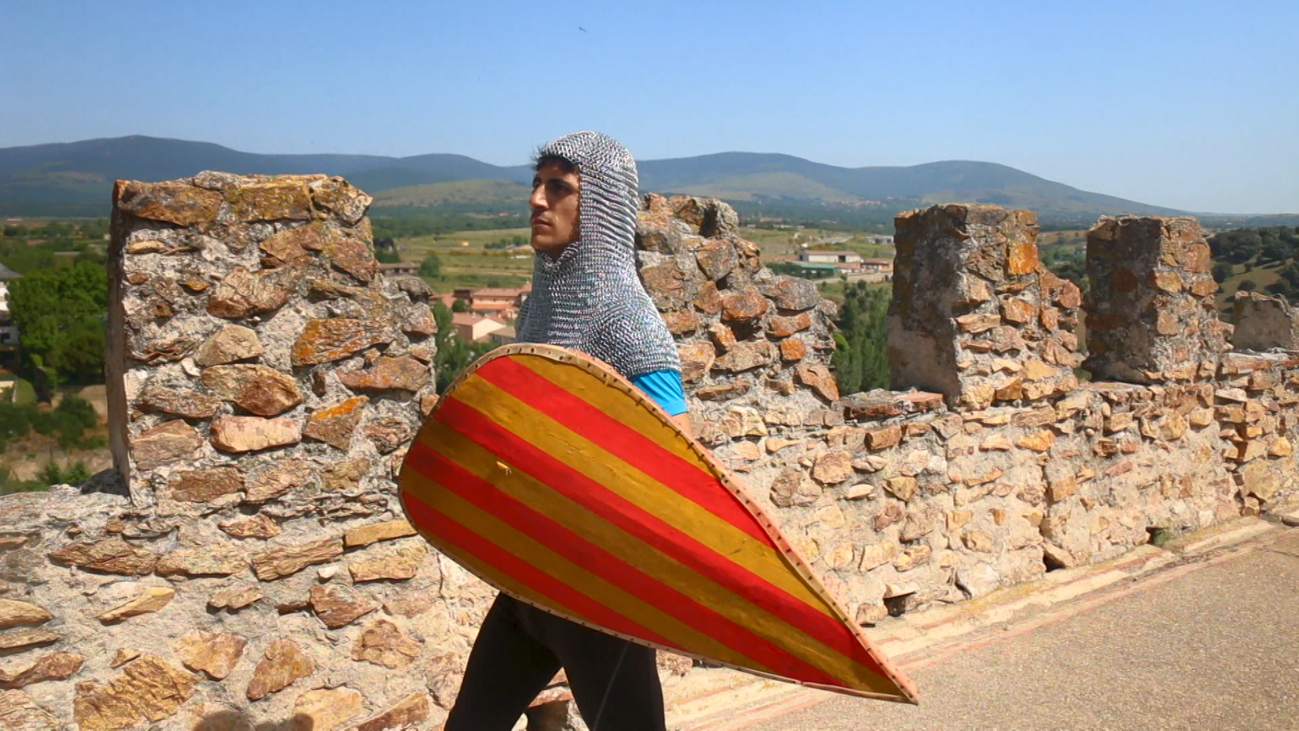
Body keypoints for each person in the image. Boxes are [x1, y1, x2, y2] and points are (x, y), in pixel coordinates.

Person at [442, 131, 688, 731]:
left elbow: (676, 466)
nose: (537, 200)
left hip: (599, 593)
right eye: (536, 183)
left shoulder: (625, 321)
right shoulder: (544, 306)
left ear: (600, 203)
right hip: (532, 581)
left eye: (559, 187)